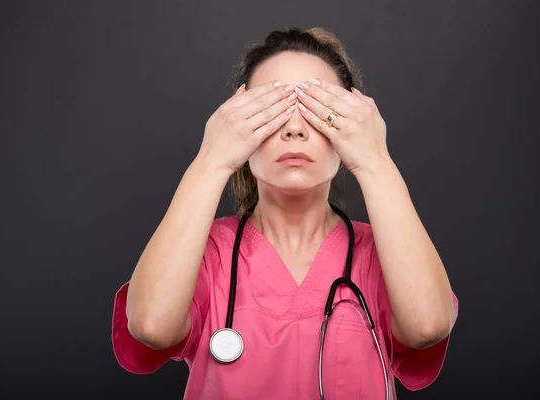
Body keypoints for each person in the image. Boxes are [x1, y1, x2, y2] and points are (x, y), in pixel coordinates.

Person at [111, 27, 459, 399]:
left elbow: (428, 325)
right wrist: (212, 159)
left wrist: (375, 160)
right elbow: (151, 326)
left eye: (318, 111)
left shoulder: (380, 255)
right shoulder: (206, 252)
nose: (294, 129)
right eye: (272, 110)